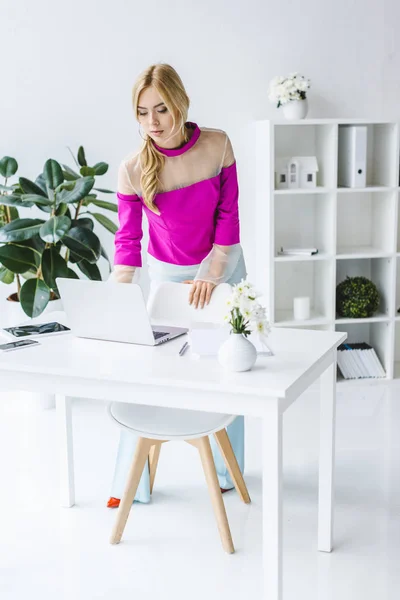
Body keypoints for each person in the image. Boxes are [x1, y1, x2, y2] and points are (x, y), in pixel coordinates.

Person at [107, 63, 247, 508]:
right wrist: (119, 293)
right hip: (168, 277)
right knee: (147, 376)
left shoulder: (217, 144)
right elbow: (128, 240)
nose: (154, 122)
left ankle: (228, 475)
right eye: (143, 112)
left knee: (230, 370)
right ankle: (130, 484)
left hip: (221, 269)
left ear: (180, 103)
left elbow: (229, 215)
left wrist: (213, 271)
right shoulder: (131, 168)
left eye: (162, 109)